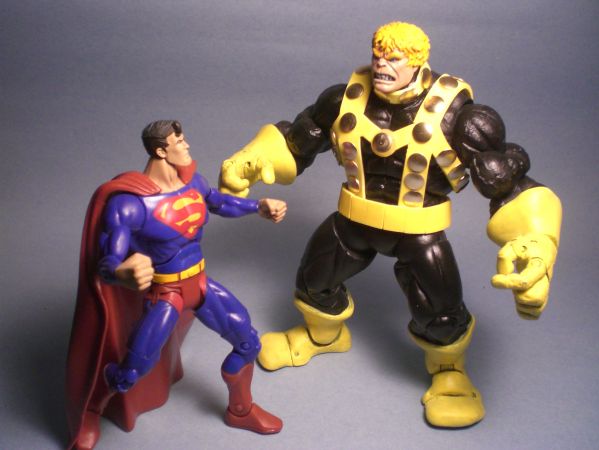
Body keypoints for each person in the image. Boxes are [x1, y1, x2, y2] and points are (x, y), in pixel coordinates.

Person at [219, 22, 561, 428]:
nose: (382, 65)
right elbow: (296, 141)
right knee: (313, 281)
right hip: (354, 220)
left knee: (441, 312)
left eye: (394, 58)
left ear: (418, 63)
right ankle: (322, 336)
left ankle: (449, 373)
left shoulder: (461, 117)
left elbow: (511, 185)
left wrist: (536, 242)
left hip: (418, 232)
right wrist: (252, 158)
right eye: (378, 55)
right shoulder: (344, 99)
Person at [66, 120, 286, 449]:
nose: (186, 146)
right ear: (161, 150)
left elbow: (219, 202)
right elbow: (106, 262)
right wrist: (123, 272)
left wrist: (258, 206)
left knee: (248, 342)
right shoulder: (129, 204)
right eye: (179, 141)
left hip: (200, 284)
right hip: (166, 295)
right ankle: (91, 410)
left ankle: (240, 410)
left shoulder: (193, 183)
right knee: (131, 371)